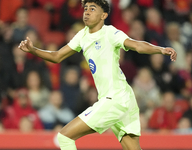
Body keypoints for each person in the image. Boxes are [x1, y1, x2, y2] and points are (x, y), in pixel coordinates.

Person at [18, 0, 177, 149]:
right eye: (85, 8)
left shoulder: (110, 32)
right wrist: (33, 50)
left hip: (114, 99)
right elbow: (56, 56)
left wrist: (160, 49)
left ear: (104, 15)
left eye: (92, 9)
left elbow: (136, 45)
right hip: (124, 98)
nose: (86, 12)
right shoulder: (82, 35)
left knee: (64, 137)